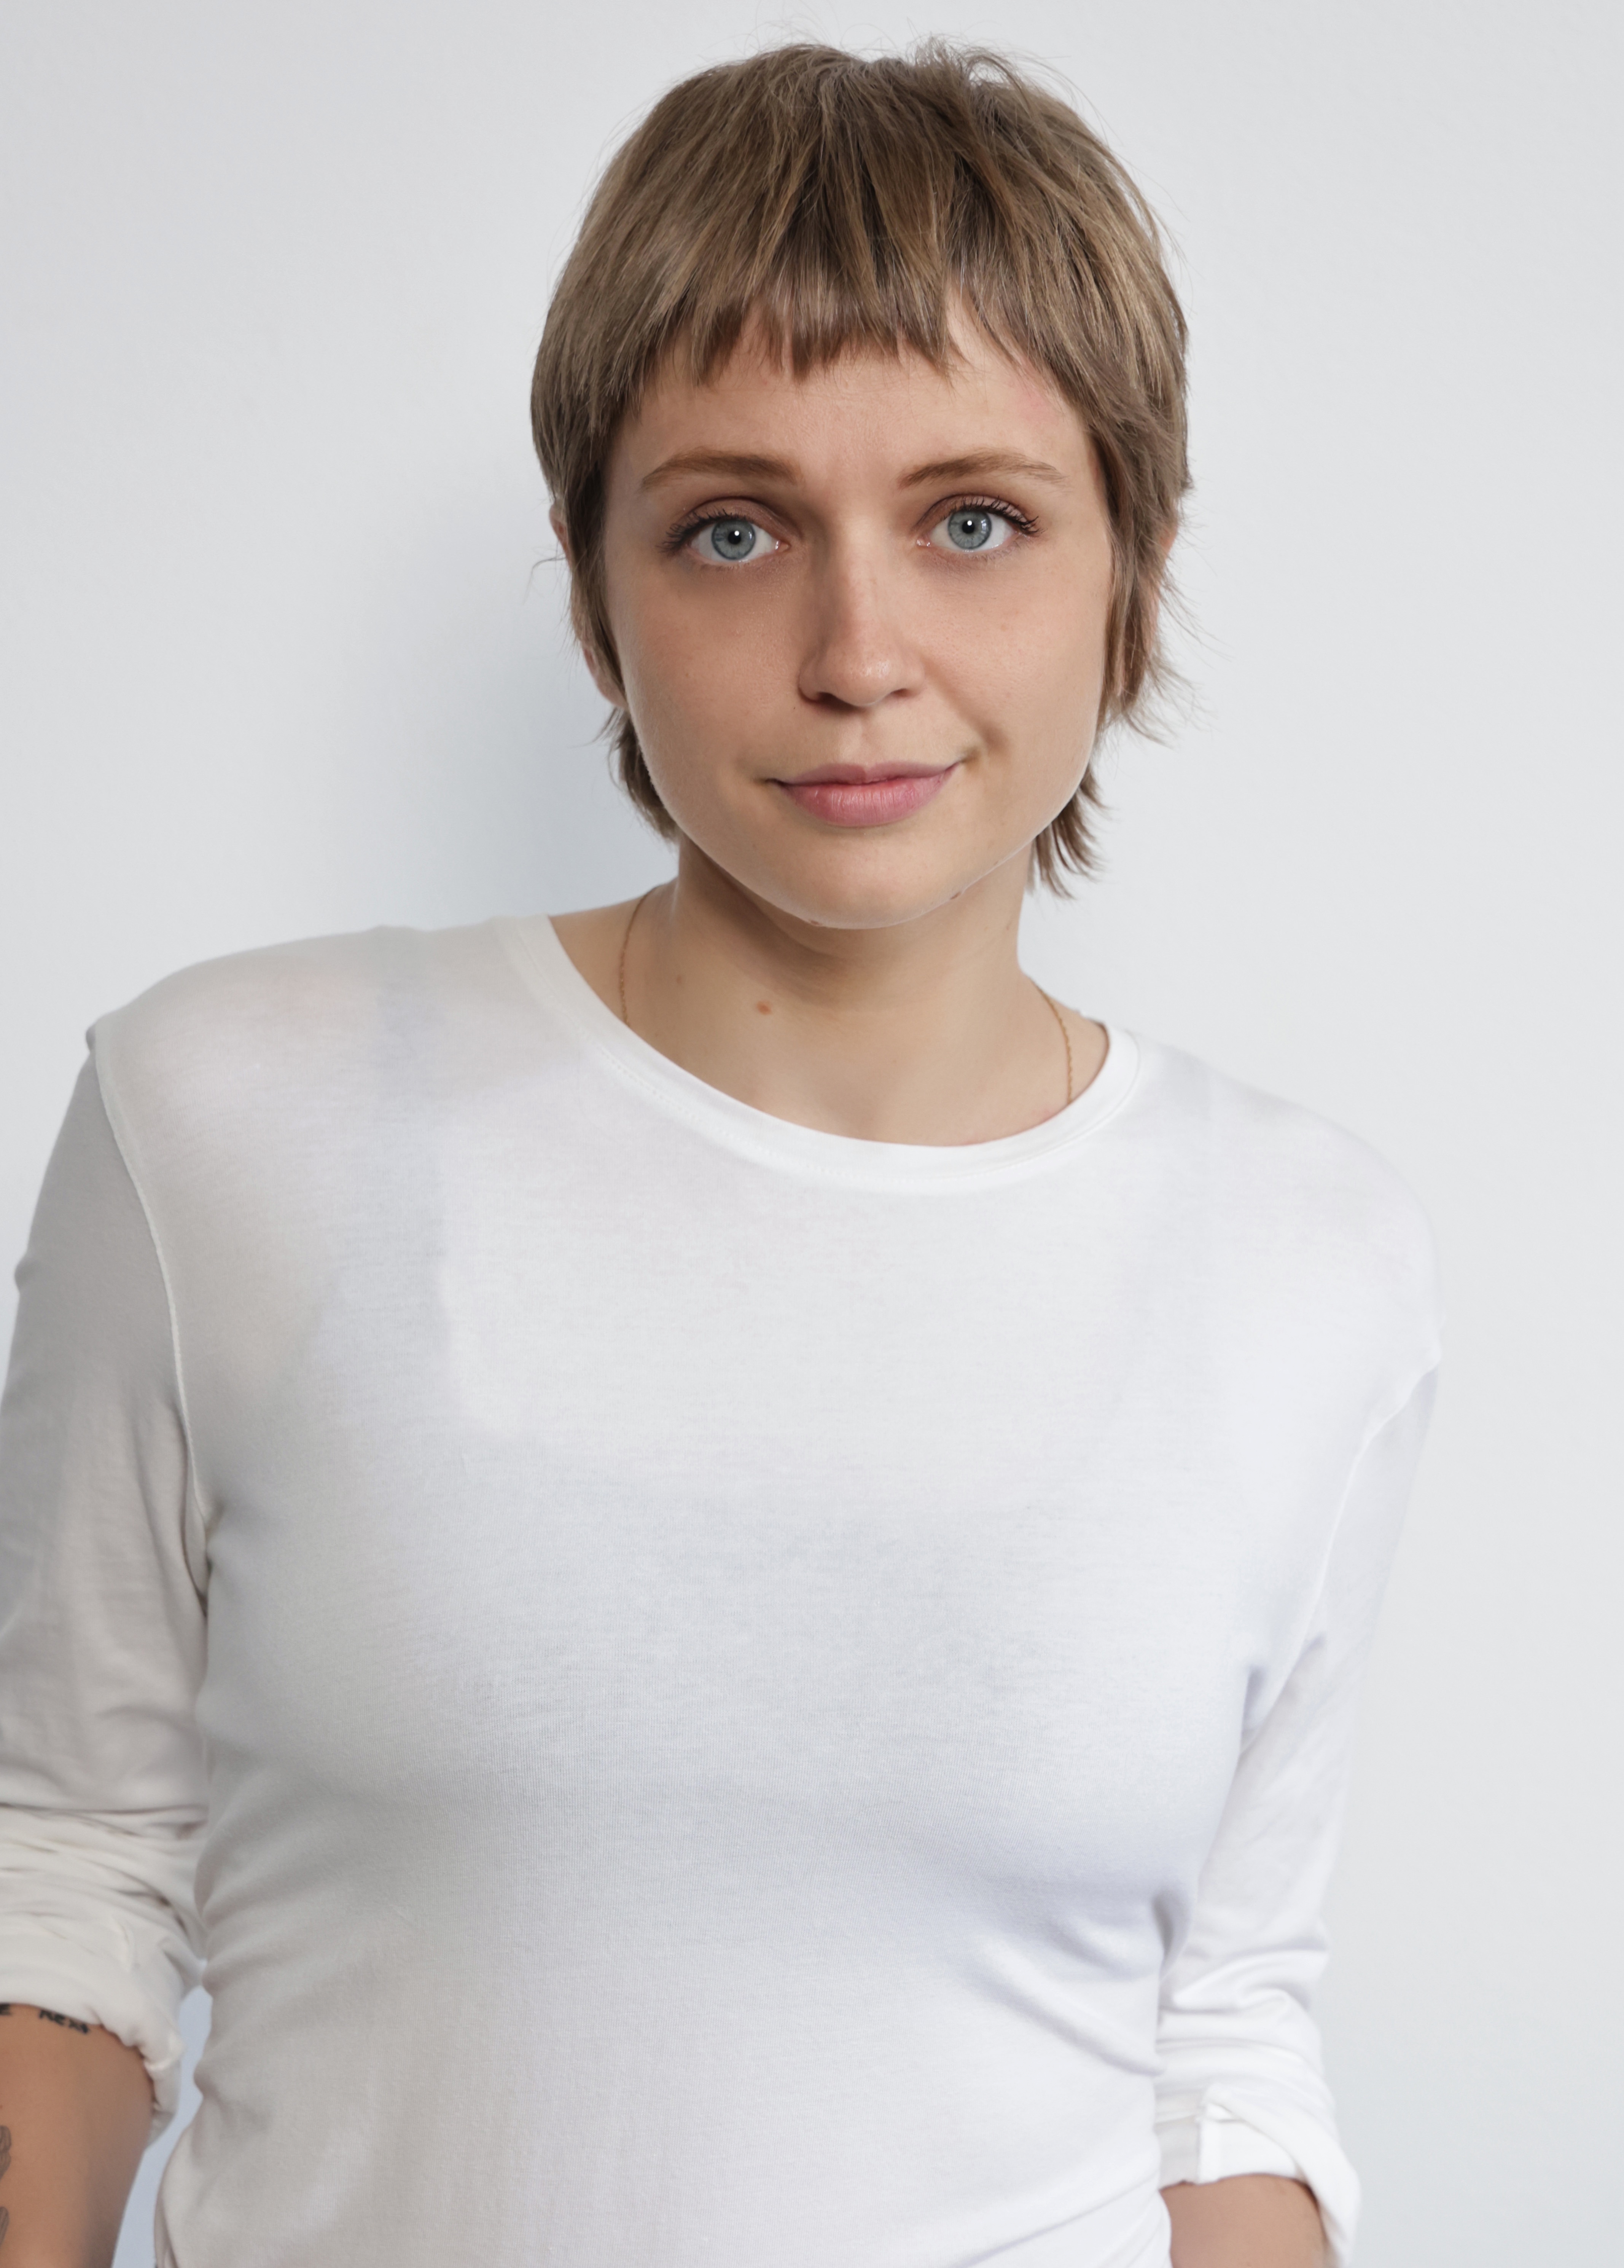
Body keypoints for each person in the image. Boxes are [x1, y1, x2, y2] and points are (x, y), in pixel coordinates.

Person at [0, 41, 1438, 2268]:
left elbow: (1223, 2052)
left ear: (1133, 577)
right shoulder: (227, 1118)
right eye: (733, 530)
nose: (859, 655)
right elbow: (69, 1886)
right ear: (596, 591)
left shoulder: (1310, 1256)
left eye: (975, 520)